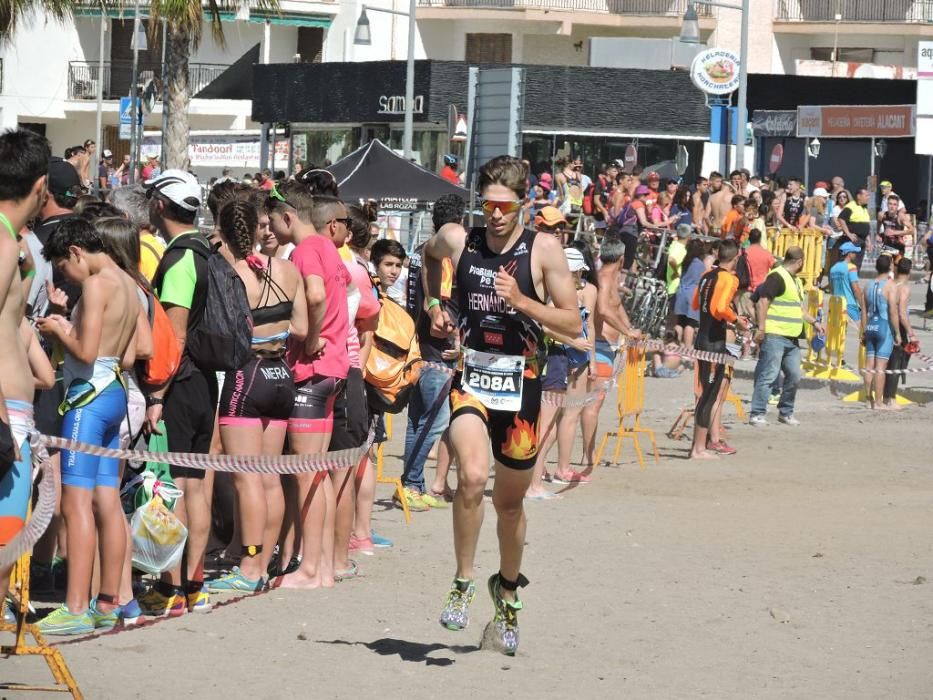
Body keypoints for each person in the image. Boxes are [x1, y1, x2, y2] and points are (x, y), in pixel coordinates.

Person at [423, 155, 581, 655]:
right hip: (472, 378)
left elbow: (574, 325)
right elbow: (427, 258)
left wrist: (522, 301)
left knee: (508, 506)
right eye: (487, 204)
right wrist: (434, 307)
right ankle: (463, 581)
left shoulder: (544, 250)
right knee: (470, 476)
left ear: (523, 204)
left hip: (523, 388)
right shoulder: (459, 240)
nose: (493, 214)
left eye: (504, 206)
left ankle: (507, 591)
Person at [35, 218, 145, 634]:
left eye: (65, 267)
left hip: (89, 397)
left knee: (75, 503)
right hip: (114, 389)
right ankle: (108, 601)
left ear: (77, 252)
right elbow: (131, 355)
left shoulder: (98, 284)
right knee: (107, 500)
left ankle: (76, 606)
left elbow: (87, 348)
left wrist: (59, 328)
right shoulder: (130, 284)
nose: (68, 276)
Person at [203, 199, 307, 593]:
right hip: (281, 374)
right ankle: (263, 561)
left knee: (246, 480)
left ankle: (249, 562)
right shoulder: (289, 271)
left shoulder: (232, 274)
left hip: (246, 375)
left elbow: (222, 330)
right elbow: (300, 327)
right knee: (269, 480)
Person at [138, 170, 217, 617]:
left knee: (176, 488)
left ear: (161, 206)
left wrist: (157, 395)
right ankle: (194, 585)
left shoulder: (181, 258)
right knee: (195, 487)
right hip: (203, 384)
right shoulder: (205, 249)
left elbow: (176, 334)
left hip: (181, 384)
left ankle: (174, 589)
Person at [266, 185, 350, 589]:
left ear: (287, 218)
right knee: (318, 472)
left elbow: (316, 294)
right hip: (333, 370)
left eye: (271, 222)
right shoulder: (329, 245)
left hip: (312, 371)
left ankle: (311, 569)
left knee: (305, 474)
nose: (269, 230)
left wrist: (312, 335)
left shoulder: (303, 250)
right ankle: (326, 566)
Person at [0, 129, 53, 622]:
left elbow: (16, 325)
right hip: (4, 416)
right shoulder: (1, 239)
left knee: (7, 545)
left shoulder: (15, 242)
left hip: (14, 412)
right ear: (41, 186)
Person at [401, 194, 465, 512]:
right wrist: (454, 335)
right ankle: (411, 484)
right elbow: (440, 307)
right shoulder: (444, 260)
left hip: (416, 345)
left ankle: (414, 484)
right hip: (435, 350)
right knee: (434, 421)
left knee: (418, 420)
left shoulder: (418, 254)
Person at [529, 246, 596, 495]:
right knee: (544, 425)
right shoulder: (553, 294)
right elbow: (544, 326)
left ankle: (536, 478)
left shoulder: (567, 293)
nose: (580, 279)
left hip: (565, 358)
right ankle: (532, 484)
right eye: (578, 274)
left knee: (552, 425)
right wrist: (574, 342)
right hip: (555, 358)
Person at [748, 247, 823, 427]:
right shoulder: (777, 276)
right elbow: (762, 301)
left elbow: (799, 309)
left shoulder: (795, 281)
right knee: (769, 374)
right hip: (775, 334)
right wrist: (761, 327)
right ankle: (757, 413)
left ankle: (785, 412)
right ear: (799, 262)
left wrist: (814, 322)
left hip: (792, 336)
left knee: (794, 375)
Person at [690, 240, 747, 459]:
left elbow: (696, 304)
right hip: (714, 342)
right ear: (735, 258)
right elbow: (720, 308)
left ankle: (697, 445)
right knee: (710, 396)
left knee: (705, 395)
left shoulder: (706, 276)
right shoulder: (729, 279)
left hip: (701, 339)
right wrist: (736, 320)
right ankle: (699, 449)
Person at [860, 256, 899, 410]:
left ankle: (868, 399)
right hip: (884, 327)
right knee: (880, 367)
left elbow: (863, 311)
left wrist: (863, 331)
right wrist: (897, 333)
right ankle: (878, 402)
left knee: (869, 365)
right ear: (890, 267)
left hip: (871, 326)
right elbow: (893, 312)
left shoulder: (868, 285)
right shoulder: (890, 286)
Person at [109, 184, 166, 282]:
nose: (104, 218)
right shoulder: (152, 243)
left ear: (124, 217)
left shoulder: (138, 251)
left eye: (108, 212)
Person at [882, 258, 916, 407]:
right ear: (910, 270)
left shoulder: (890, 284)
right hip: (898, 327)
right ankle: (891, 399)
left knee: (885, 363)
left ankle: (882, 397)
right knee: (896, 363)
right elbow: (902, 313)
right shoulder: (904, 288)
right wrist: (911, 333)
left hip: (885, 324)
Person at [673, 239, 708, 348]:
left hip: (681, 292)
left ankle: (675, 344)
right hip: (692, 294)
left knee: (680, 321)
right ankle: (687, 348)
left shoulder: (685, 261)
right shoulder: (700, 264)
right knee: (690, 323)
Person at [835, 187, 871, 271]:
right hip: (852, 240)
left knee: (856, 266)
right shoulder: (851, 206)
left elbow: (865, 226)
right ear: (859, 196)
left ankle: (853, 282)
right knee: (847, 265)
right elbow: (841, 218)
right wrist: (848, 233)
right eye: (866, 195)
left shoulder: (864, 208)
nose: (868, 198)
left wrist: (868, 240)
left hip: (861, 241)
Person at [830, 242, 864, 324]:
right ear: (849, 254)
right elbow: (856, 289)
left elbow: (832, 288)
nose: (856, 254)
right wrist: (863, 305)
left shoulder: (833, 268)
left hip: (836, 304)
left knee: (839, 334)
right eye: (854, 252)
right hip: (849, 305)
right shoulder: (851, 267)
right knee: (857, 333)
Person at [666, 223, 690, 300]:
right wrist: (676, 272)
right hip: (674, 285)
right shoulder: (681, 249)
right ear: (689, 236)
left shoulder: (674, 244)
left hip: (669, 283)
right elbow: (671, 259)